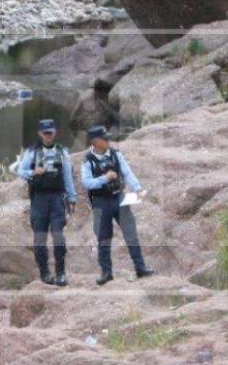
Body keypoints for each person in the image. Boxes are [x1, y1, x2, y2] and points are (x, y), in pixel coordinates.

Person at [81, 125, 155, 286]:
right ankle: (106, 272)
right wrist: (104, 179)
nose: (108, 141)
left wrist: (137, 188)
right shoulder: (88, 160)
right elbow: (86, 183)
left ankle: (140, 267)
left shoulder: (116, 154)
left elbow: (127, 173)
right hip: (100, 201)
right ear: (95, 141)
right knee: (103, 237)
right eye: (104, 138)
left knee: (130, 232)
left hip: (119, 197)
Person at [17, 119, 77, 286]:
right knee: (39, 239)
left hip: (57, 199)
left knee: (58, 236)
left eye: (50, 133)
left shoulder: (62, 152)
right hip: (39, 200)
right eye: (45, 133)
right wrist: (33, 171)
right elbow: (20, 171)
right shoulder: (32, 152)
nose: (48, 136)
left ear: (55, 132)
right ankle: (44, 273)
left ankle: (61, 273)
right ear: (40, 133)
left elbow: (67, 176)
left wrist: (72, 198)